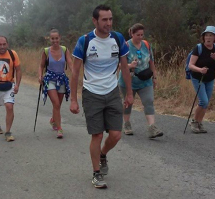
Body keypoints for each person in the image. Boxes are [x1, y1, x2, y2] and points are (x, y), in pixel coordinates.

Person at [70, 5, 133, 188]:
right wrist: (74, 99)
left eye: (110, 19)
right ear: (95, 21)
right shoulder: (85, 41)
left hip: (112, 91)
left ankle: (103, 154)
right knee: (97, 134)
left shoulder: (118, 38)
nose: (108, 23)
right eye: (104, 19)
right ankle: (96, 173)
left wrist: (129, 93)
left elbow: (125, 68)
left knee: (115, 135)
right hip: (91, 93)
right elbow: (75, 72)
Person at [118, 23, 164, 139]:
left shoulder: (146, 45)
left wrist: (154, 76)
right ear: (132, 34)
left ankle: (152, 127)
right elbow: (118, 64)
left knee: (149, 101)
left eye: (142, 35)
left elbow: (151, 62)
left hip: (145, 80)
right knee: (128, 102)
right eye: (137, 35)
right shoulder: (125, 46)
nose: (140, 37)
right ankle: (127, 124)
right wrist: (129, 65)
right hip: (128, 80)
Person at [189, 26, 215, 133]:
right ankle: (194, 122)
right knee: (203, 101)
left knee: (206, 102)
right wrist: (200, 70)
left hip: (210, 78)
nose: (208, 38)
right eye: (206, 35)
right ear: (203, 37)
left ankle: (199, 122)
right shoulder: (198, 48)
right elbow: (190, 65)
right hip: (197, 77)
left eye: (211, 35)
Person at [38, 28, 72, 138]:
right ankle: (60, 129)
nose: (55, 40)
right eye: (52, 39)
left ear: (60, 38)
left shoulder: (65, 50)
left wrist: (74, 73)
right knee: (56, 104)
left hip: (62, 79)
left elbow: (70, 63)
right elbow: (41, 65)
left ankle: (53, 120)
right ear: (50, 39)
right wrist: (40, 75)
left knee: (58, 105)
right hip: (50, 79)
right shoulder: (46, 51)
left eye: (56, 38)